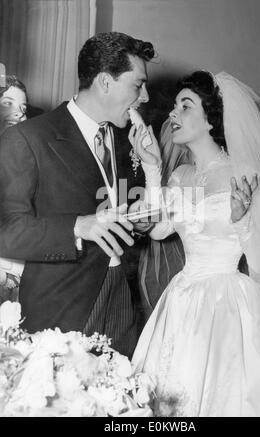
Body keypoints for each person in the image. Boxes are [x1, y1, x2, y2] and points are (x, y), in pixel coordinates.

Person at [130, 71, 260, 416]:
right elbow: (159, 228)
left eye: (185, 106)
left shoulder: (245, 173)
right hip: (180, 299)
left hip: (229, 306)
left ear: (211, 120)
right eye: (174, 106)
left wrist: (241, 218)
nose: (173, 115)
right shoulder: (182, 177)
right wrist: (152, 168)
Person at [0, 32, 155, 358]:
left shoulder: (127, 141)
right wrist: (77, 226)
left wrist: (150, 175)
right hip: (63, 311)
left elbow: (127, 213)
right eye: (138, 85)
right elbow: (7, 232)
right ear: (105, 83)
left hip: (120, 306)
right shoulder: (28, 139)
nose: (145, 97)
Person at [0, 75, 27, 304]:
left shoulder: (26, 162)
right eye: (8, 103)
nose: (19, 113)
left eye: (23, 107)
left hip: (18, 280)